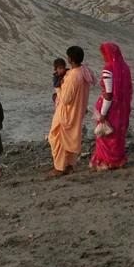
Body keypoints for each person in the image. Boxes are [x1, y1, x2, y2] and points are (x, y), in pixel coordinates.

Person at [48, 48, 91, 177]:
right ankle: (70, 165)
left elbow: (66, 99)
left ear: (70, 59)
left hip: (66, 113)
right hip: (78, 111)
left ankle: (59, 167)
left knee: (56, 138)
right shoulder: (84, 72)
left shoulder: (72, 76)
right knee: (71, 137)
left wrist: (57, 92)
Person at [90, 43, 132, 171]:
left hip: (110, 108)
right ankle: (118, 160)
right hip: (122, 108)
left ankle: (106, 161)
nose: (103, 57)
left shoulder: (108, 68)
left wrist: (103, 113)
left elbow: (109, 94)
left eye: (104, 54)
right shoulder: (125, 67)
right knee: (117, 134)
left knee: (106, 135)